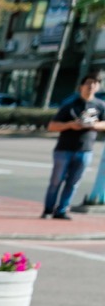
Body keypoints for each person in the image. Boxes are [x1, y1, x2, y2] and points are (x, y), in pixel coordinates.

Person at [44, 71, 104, 220]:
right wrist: (70, 125)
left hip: (85, 150)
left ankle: (62, 210)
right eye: (88, 83)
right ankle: (48, 209)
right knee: (56, 181)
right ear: (81, 87)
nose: (91, 86)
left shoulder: (100, 105)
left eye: (94, 84)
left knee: (73, 182)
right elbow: (52, 126)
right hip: (64, 149)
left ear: (98, 87)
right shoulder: (70, 104)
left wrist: (94, 125)